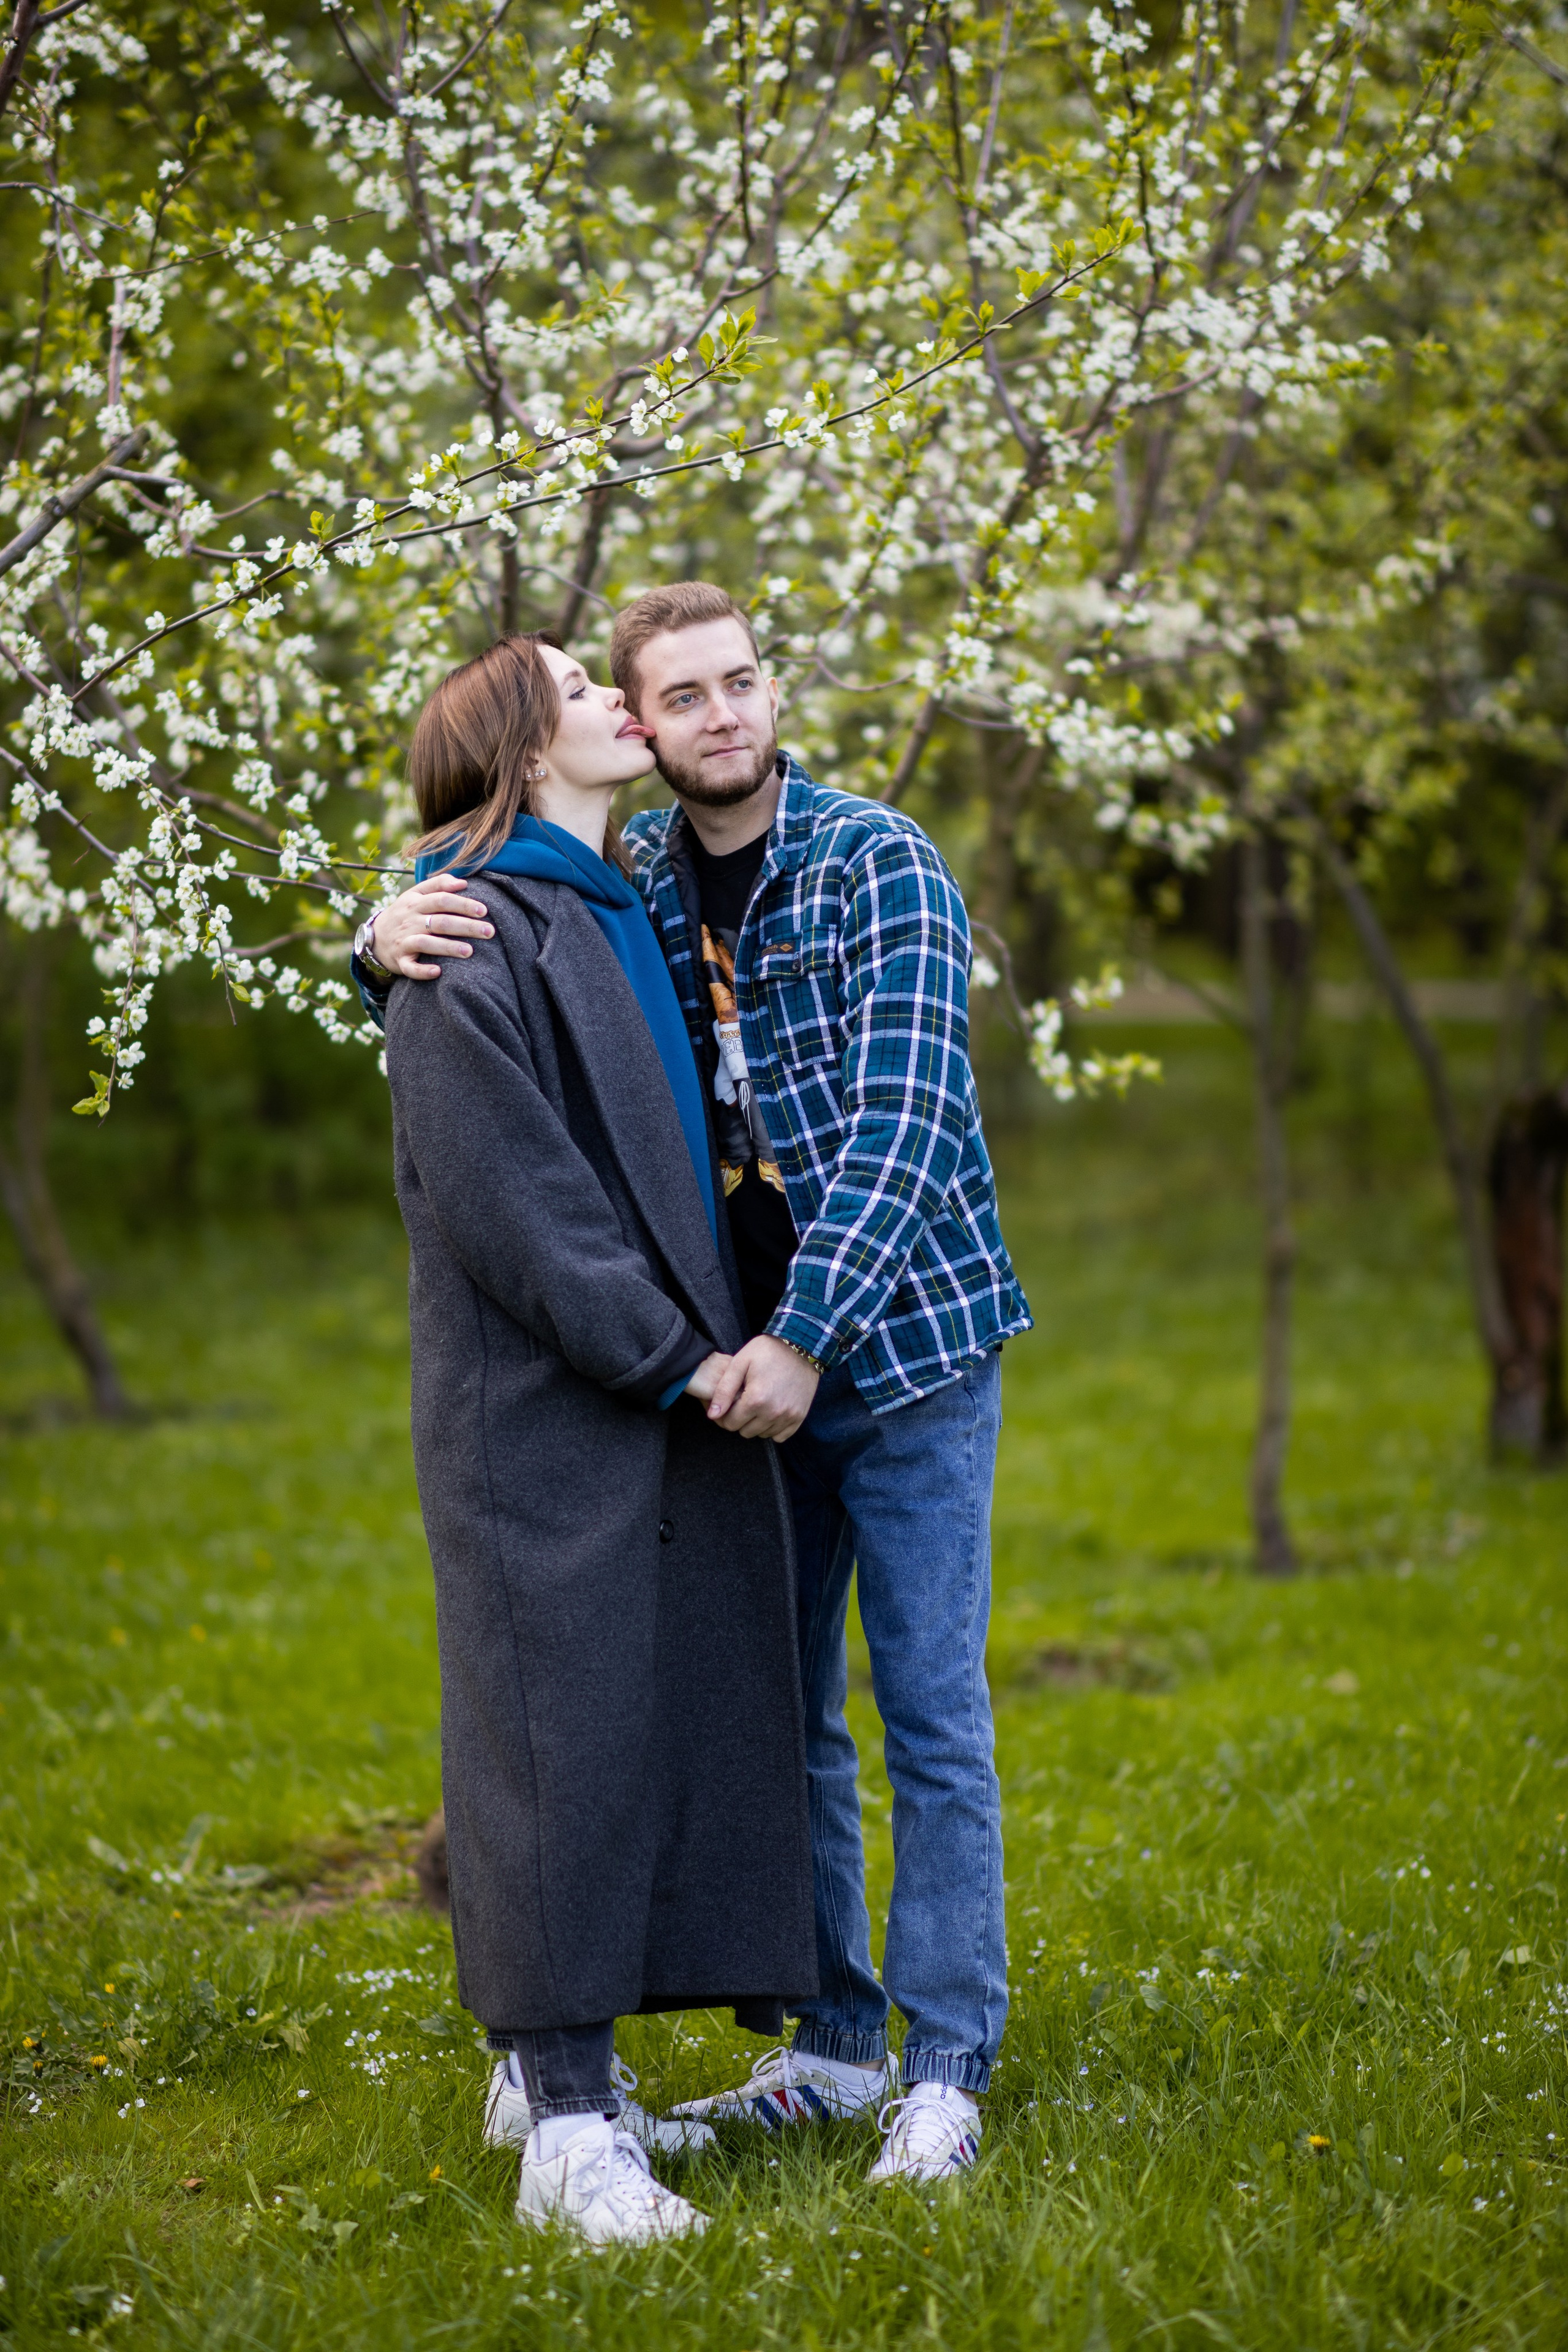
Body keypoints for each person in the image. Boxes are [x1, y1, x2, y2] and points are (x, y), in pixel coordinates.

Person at [364, 582, 1031, 2186]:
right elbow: (488, 910)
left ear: (771, 690)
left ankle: (946, 2066)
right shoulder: (642, 875)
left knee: (931, 1714)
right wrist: (375, 939)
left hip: (897, 1348)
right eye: (679, 694)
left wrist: (806, 1339)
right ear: (643, 728)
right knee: (782, 1718)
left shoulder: (878, 861)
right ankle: (838, 2045)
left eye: (742, 681)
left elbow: (909, 1125)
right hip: (741, 1374)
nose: (720, 714)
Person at [376, 631, 816, 2245]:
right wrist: (674, 1361)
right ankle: (567, 2135)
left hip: (653, 1392)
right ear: (518, 752)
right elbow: (520, 1209)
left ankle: (557, 2077)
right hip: (546, 1409)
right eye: (584, 691)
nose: (623, 705)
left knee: (637, 1731)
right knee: (550, 1745)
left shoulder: (615, 897)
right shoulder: (465, 931)